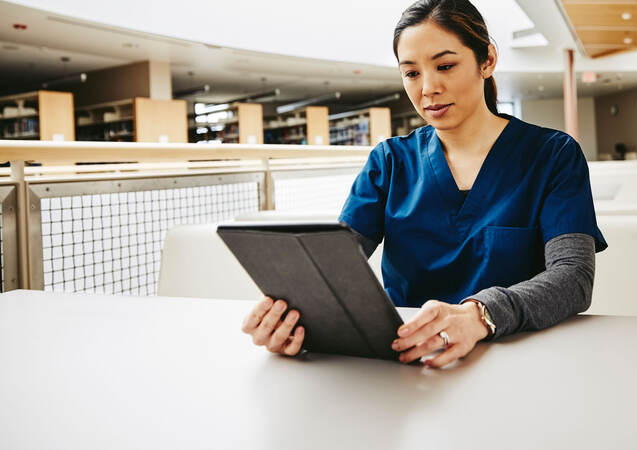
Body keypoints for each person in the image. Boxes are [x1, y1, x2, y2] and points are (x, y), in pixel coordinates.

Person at [240, 0, 607, 368]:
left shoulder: (552, 155)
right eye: (411, 73)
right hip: (405, 362)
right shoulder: (390, 162)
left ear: (487, 60)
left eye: (445, 66)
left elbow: (573, 278)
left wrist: (481, 315)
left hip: (516, 360)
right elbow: (335, 268)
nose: (428, 88)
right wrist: (295, 317)